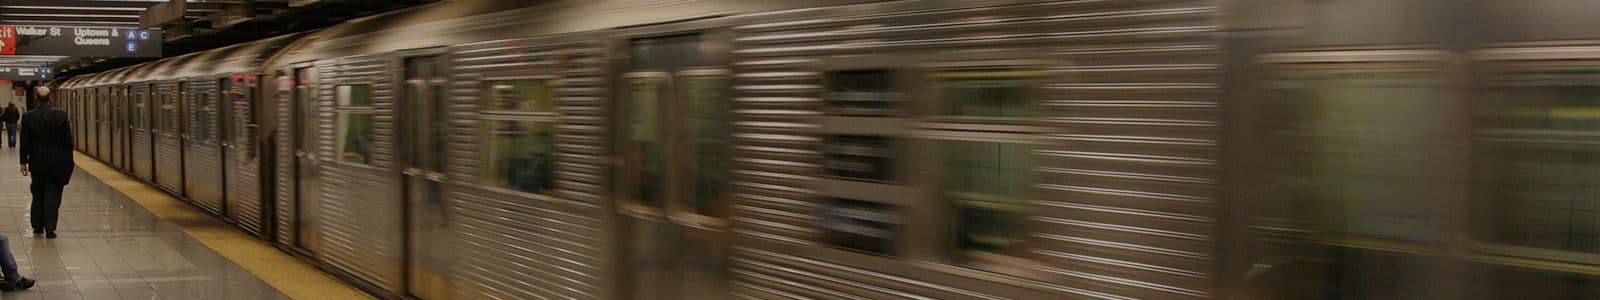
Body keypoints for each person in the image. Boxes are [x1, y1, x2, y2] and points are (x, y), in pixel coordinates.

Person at [19, 86, 73, 239]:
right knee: (53, 195)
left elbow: (25, 141)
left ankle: (37, 227)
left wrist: (23, 162)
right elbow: (67, 142)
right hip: (57, 162)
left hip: (37, 162)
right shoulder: (61, 115)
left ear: (36, 98)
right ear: (50, 98)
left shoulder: (28, 117)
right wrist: (68, 159)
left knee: (37, 193)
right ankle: (50, 228)